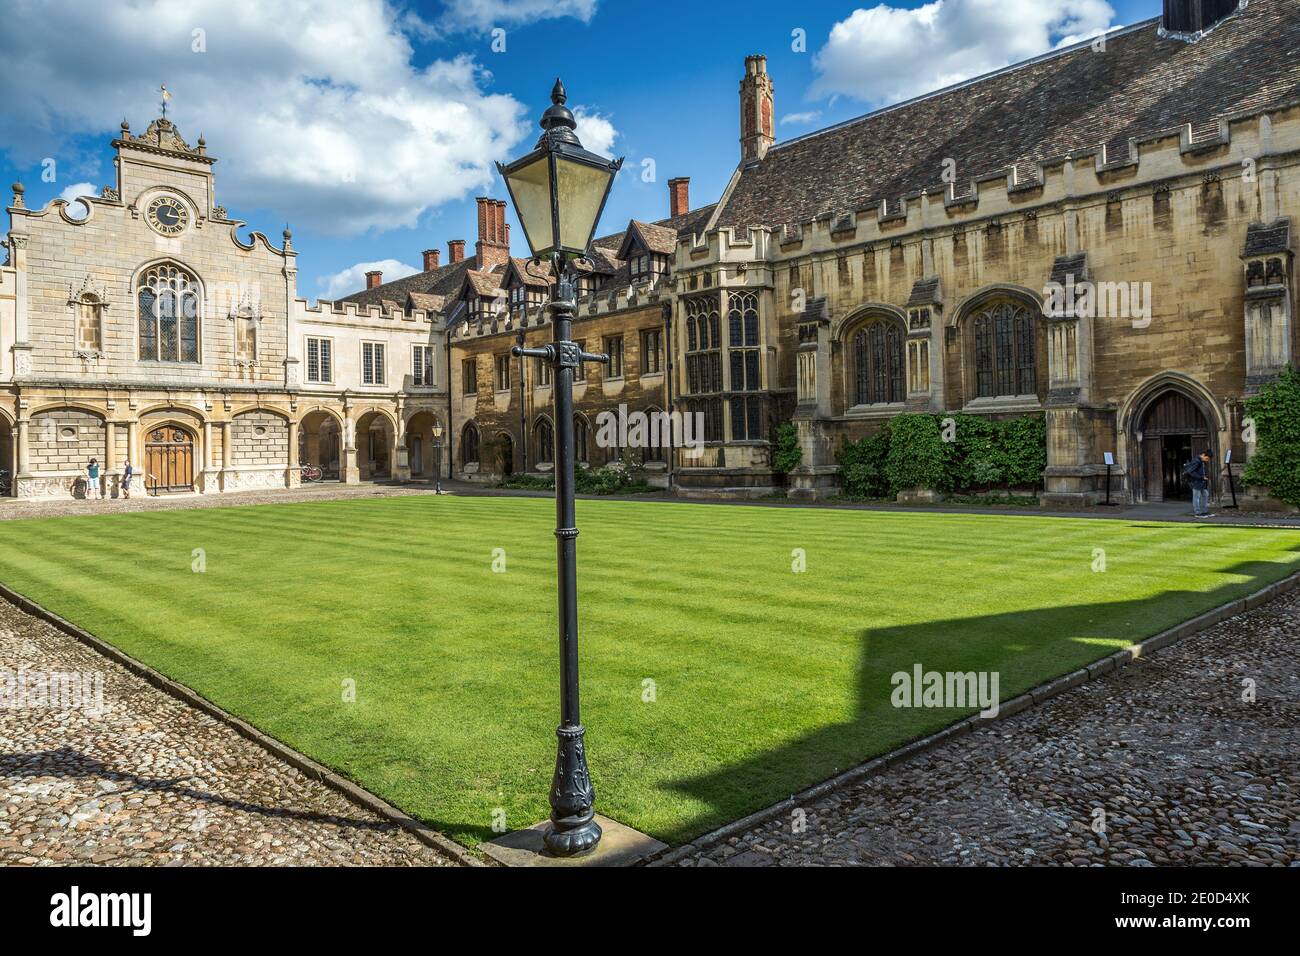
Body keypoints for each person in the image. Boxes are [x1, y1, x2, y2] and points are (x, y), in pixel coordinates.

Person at [1185, 449, 1213, 518]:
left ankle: (1204, 511)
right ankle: (1198, 513)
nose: (1207, 460)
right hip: (1196, 482)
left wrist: (1204, 477)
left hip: (1201, 482)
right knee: (1196, 497)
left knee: (1205, 495)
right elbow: (1190, 471)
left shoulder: (1201, 461)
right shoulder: (1196, 461)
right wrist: (1201, 477)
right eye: (1207, 458)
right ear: (1203, 455)